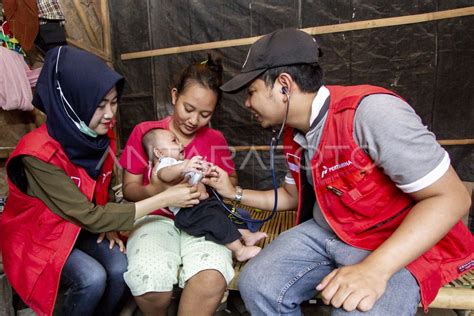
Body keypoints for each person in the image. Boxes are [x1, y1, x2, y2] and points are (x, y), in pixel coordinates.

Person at [203, 28, 473, 315]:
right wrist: (234, 192)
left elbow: (452, 199)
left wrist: (375, 269)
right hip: (329, 230)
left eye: (251, 91)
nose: (246, 103)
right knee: (258, 283)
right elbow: (290, 195)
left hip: (394, 241)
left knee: (357, 310)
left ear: (284, 85)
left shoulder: (372, 113)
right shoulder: (294, 133)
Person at [0, 46, 200, 316]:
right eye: (99, 104)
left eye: (114, 102)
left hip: (78, 226)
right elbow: (89, 214)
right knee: (91, 278)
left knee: (119, 268)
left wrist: (109, 225)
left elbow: (99, 190)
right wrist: (165, 197)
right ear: (72, 102)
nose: (110, 115)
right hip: (39, 236)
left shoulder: (97, 137)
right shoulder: (38, 155)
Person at [119, 54, 238, 316]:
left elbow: (231, 182)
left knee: (212, 277)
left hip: (202, 218)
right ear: (174, 96)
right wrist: (158, 192)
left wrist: (215, 180)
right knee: (149, 278)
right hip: (157, 218)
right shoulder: (146, 134)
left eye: (205, 114)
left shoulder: (215, 139)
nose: (194, 120)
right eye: (188, 108)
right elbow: (129, 190)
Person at [142, 128, 267, 261]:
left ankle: (247, 236)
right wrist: (184, 167)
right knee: (217, 221)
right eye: (174, 141)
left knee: (230, 212)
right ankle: (239, 251)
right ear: (158, 152)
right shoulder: (165, 164)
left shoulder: (180, 164)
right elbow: (165, 175)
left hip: (205, 205)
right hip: (190, 212)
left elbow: (195, 177)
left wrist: (204, 171)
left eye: (179, 141)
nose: (181, 145)